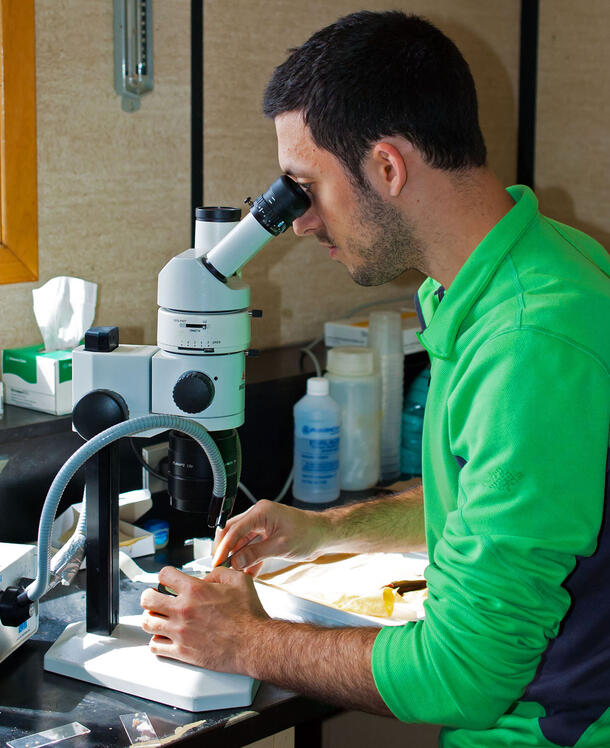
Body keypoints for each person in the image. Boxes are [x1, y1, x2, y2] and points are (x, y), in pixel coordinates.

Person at [140, 11, 610, 747]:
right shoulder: (522, 271)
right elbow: (497, 502)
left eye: (305, 187)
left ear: (387, 168)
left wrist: (245, 642)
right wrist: (326, 530)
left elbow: (467, 676)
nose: (295, 221)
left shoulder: (529, 341)